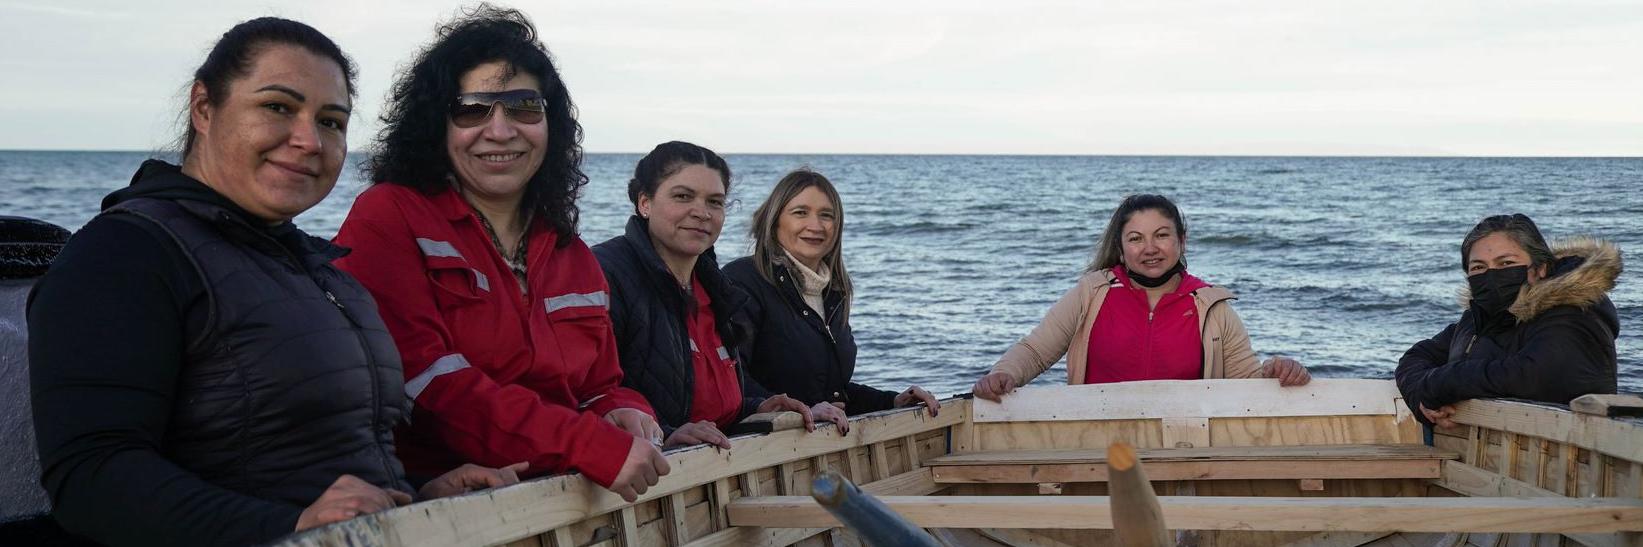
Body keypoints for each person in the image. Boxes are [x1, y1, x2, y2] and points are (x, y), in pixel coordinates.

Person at [27, 18, 519, 546]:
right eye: (277, 107)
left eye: (331, 121)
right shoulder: (128, 253)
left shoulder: (318, 269)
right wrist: (291, 528)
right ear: (203, 108)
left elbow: (317, 462)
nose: (309, 140)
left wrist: (419, 494)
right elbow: (91, 479)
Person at [332, 7, 668, 502]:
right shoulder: (388, 215)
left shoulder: (571, 252)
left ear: (550, 124)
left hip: (562, 501)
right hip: (440, 504)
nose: (501, 129)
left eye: (524, 108)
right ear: (436, 125)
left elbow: (599, 384)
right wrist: (585, 442)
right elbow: (424, 383)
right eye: (473, 110)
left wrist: (624, 411)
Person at [594, 142, 835, 449]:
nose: (701, 213)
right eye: (683, 196)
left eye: (715, 202)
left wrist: (759, 406)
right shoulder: (605, 273)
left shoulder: (714, 287)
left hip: (712, 464)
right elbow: (589, 395)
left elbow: (710, 398)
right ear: (645, 202)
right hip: (645, 475)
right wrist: (666, 436)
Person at [971, 194, 1310, 401]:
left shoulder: (1210, 306)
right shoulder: (1092, 293)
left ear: (1182, 240)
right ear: (1121, 247)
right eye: (1136, 239)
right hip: (1099, 448)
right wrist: (1004, 375)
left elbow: (1247, 383)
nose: (1149, 248)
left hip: (1184, 449)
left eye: (1161, 235)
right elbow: (1035, 351)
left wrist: (1280, 371)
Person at [723, 169, 939, 417]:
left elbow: (832, 393)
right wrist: (794, 412)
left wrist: (892, 402)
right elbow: (730, 380)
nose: (815, 225)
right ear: (774, 221)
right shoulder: (744, 279)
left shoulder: (833, 292)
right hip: (762, 446)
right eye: (800, 213)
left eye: (826, 215)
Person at [1395, 214, 1620, 427]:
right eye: (1478, 267)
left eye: (1506, 263)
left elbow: (1536, 375)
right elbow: (1418, 356)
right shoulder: (1477, 320)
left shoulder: (1575, 314)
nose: (1491, 275)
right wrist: (1421, 401)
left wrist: (1441, 384)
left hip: (1566, 458)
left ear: (1539, 268)